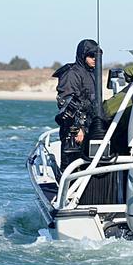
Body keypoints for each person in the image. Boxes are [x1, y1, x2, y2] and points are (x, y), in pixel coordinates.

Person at [52, 39, 100, 174]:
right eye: (91, 55)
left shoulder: (92, 73)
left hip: (90, 125)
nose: (94, 59)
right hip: (74, 130)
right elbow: (66, 104)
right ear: (83, 55)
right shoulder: (71, 73)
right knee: (71, 166)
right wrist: (77, 128)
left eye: (97, 56)